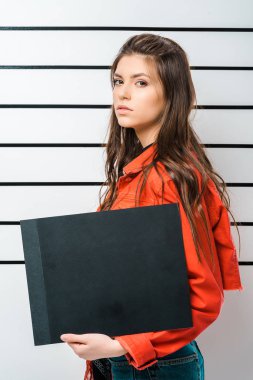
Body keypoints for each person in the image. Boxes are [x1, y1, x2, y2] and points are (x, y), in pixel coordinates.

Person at [60, 33, 244, 380]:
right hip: (132, 358)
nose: (123, 93)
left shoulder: (167, 178)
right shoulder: (140, 171)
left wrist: (121, 347)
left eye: (140, 82)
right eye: (118, 81)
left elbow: (204, 297)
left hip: (152, 364)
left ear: (172, 95)